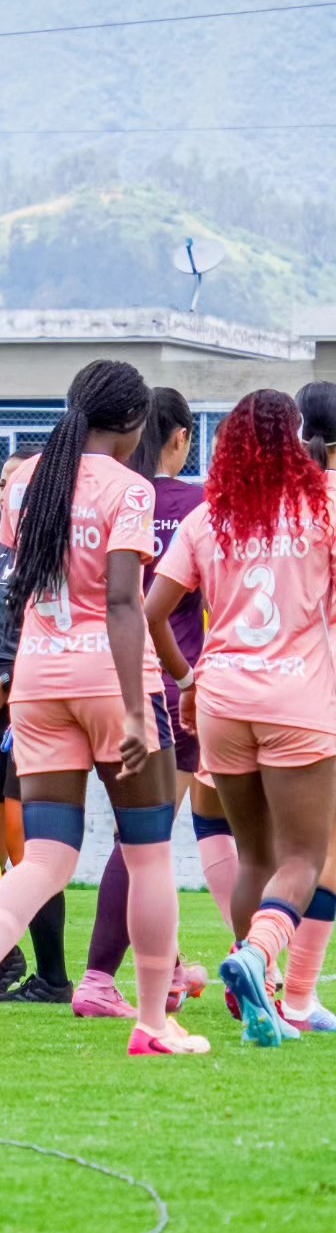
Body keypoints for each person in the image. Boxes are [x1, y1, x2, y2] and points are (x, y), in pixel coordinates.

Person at [0, 359, 207, 1060]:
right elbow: (124, 603)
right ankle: (153, 1021)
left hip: (36, 681)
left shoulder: (26, 480)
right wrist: (131, 711)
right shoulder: (130, 488)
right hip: (108, 680)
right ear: (130, 427)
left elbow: (10, 587)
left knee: (48, 857)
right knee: (149, 854)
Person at [146, 388, 336, 1049]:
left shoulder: (208, 517)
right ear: (296, 439)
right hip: (298, 700)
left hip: (222, 699)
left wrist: (187, 678)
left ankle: (258, 1003)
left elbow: (151, 611)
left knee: (253, 854)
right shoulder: (323, 506)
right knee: (306, 856)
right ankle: (257, 959)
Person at [72, 387, 229, 1018]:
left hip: (99, 676)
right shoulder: (202, 507)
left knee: (138, 838)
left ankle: (161, 973)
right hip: (177, 685)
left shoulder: (107, 495)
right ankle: (100, 977)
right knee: (146, 839)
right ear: (182, 438)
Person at [0, 452, 72, 1006]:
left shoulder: (48, 550)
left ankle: (53, 977)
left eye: (17, 483)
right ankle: (4, 960)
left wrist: (2, 685)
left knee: (25, 847)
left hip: (24, 701)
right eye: (3, 481)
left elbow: (44, 629)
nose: (8, 489)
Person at [278, 380, 336, 1033]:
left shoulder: (272, 504)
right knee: (324, 852)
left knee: (278, 850)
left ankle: (277, 984)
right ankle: (296, 993)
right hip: (321, 694)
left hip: (263, 687)